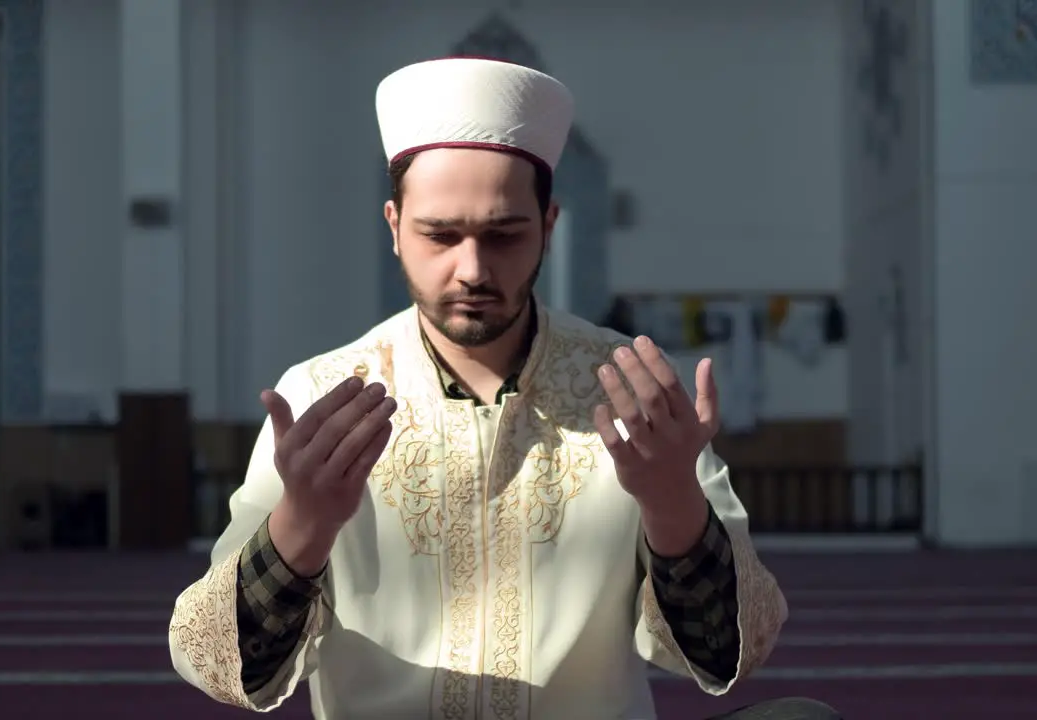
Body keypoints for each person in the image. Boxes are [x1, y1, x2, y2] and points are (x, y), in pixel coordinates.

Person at [167, 57, 840, 720]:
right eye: (440, 235)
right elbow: (216, 662)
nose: (471, 268)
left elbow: (730, 652)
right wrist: (301, 527)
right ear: (394, 228)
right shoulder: (322, 396)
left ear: (548, 227)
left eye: (503, 235)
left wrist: (672, 504)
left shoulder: (629, 388)